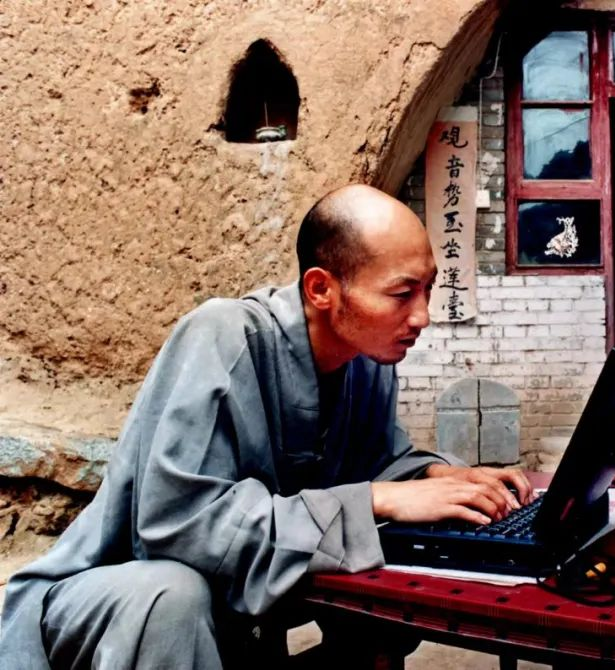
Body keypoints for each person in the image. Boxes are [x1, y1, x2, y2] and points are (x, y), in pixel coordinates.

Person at [0, 184, 535, 668]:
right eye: (401, 294)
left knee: (396, 577)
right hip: (115, 599)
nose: (422, 316)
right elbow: (176, 527)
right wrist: (377, 500)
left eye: (428, 290)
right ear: (321, 289)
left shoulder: (366, 362)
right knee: (170, 594)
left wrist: (434, 477)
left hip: (231, 605)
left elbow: (378, 464)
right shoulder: (222, 336)